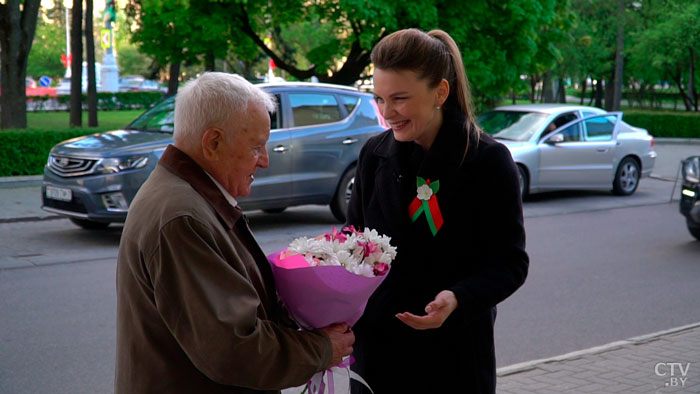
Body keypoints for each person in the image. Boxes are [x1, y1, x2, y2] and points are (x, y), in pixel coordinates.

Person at [115, 72, 354, 394]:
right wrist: (322, 348)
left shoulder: (185, 198)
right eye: (256, 147)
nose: (265, 161)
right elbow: (233, 349)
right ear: (213, 142)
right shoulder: (182, 216)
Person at [346, 29, 529, 393]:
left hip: (452, 359)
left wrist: (458, 297)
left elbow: (510, 263)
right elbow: (354, 240)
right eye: (379, 98)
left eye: (399, 98)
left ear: (440, 93)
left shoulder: (487, 162)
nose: (387, 112)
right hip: (377, 355)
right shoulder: (373, 154)